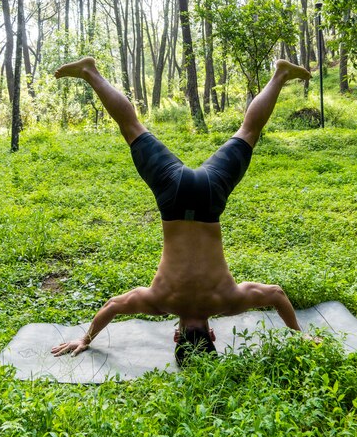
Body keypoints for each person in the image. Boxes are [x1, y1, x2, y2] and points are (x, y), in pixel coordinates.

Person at [51, 57, 311, 365]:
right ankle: (89, 72)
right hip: (173, 197)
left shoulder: (227, 301)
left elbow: (277, 295)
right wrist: (85, 337)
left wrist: (299, 333)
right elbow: (113, 305)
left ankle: (280, 74)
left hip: (209, 195)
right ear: (176, 335)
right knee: (132, 128)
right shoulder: (160, 301)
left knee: (249, 131)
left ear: (212, 335)